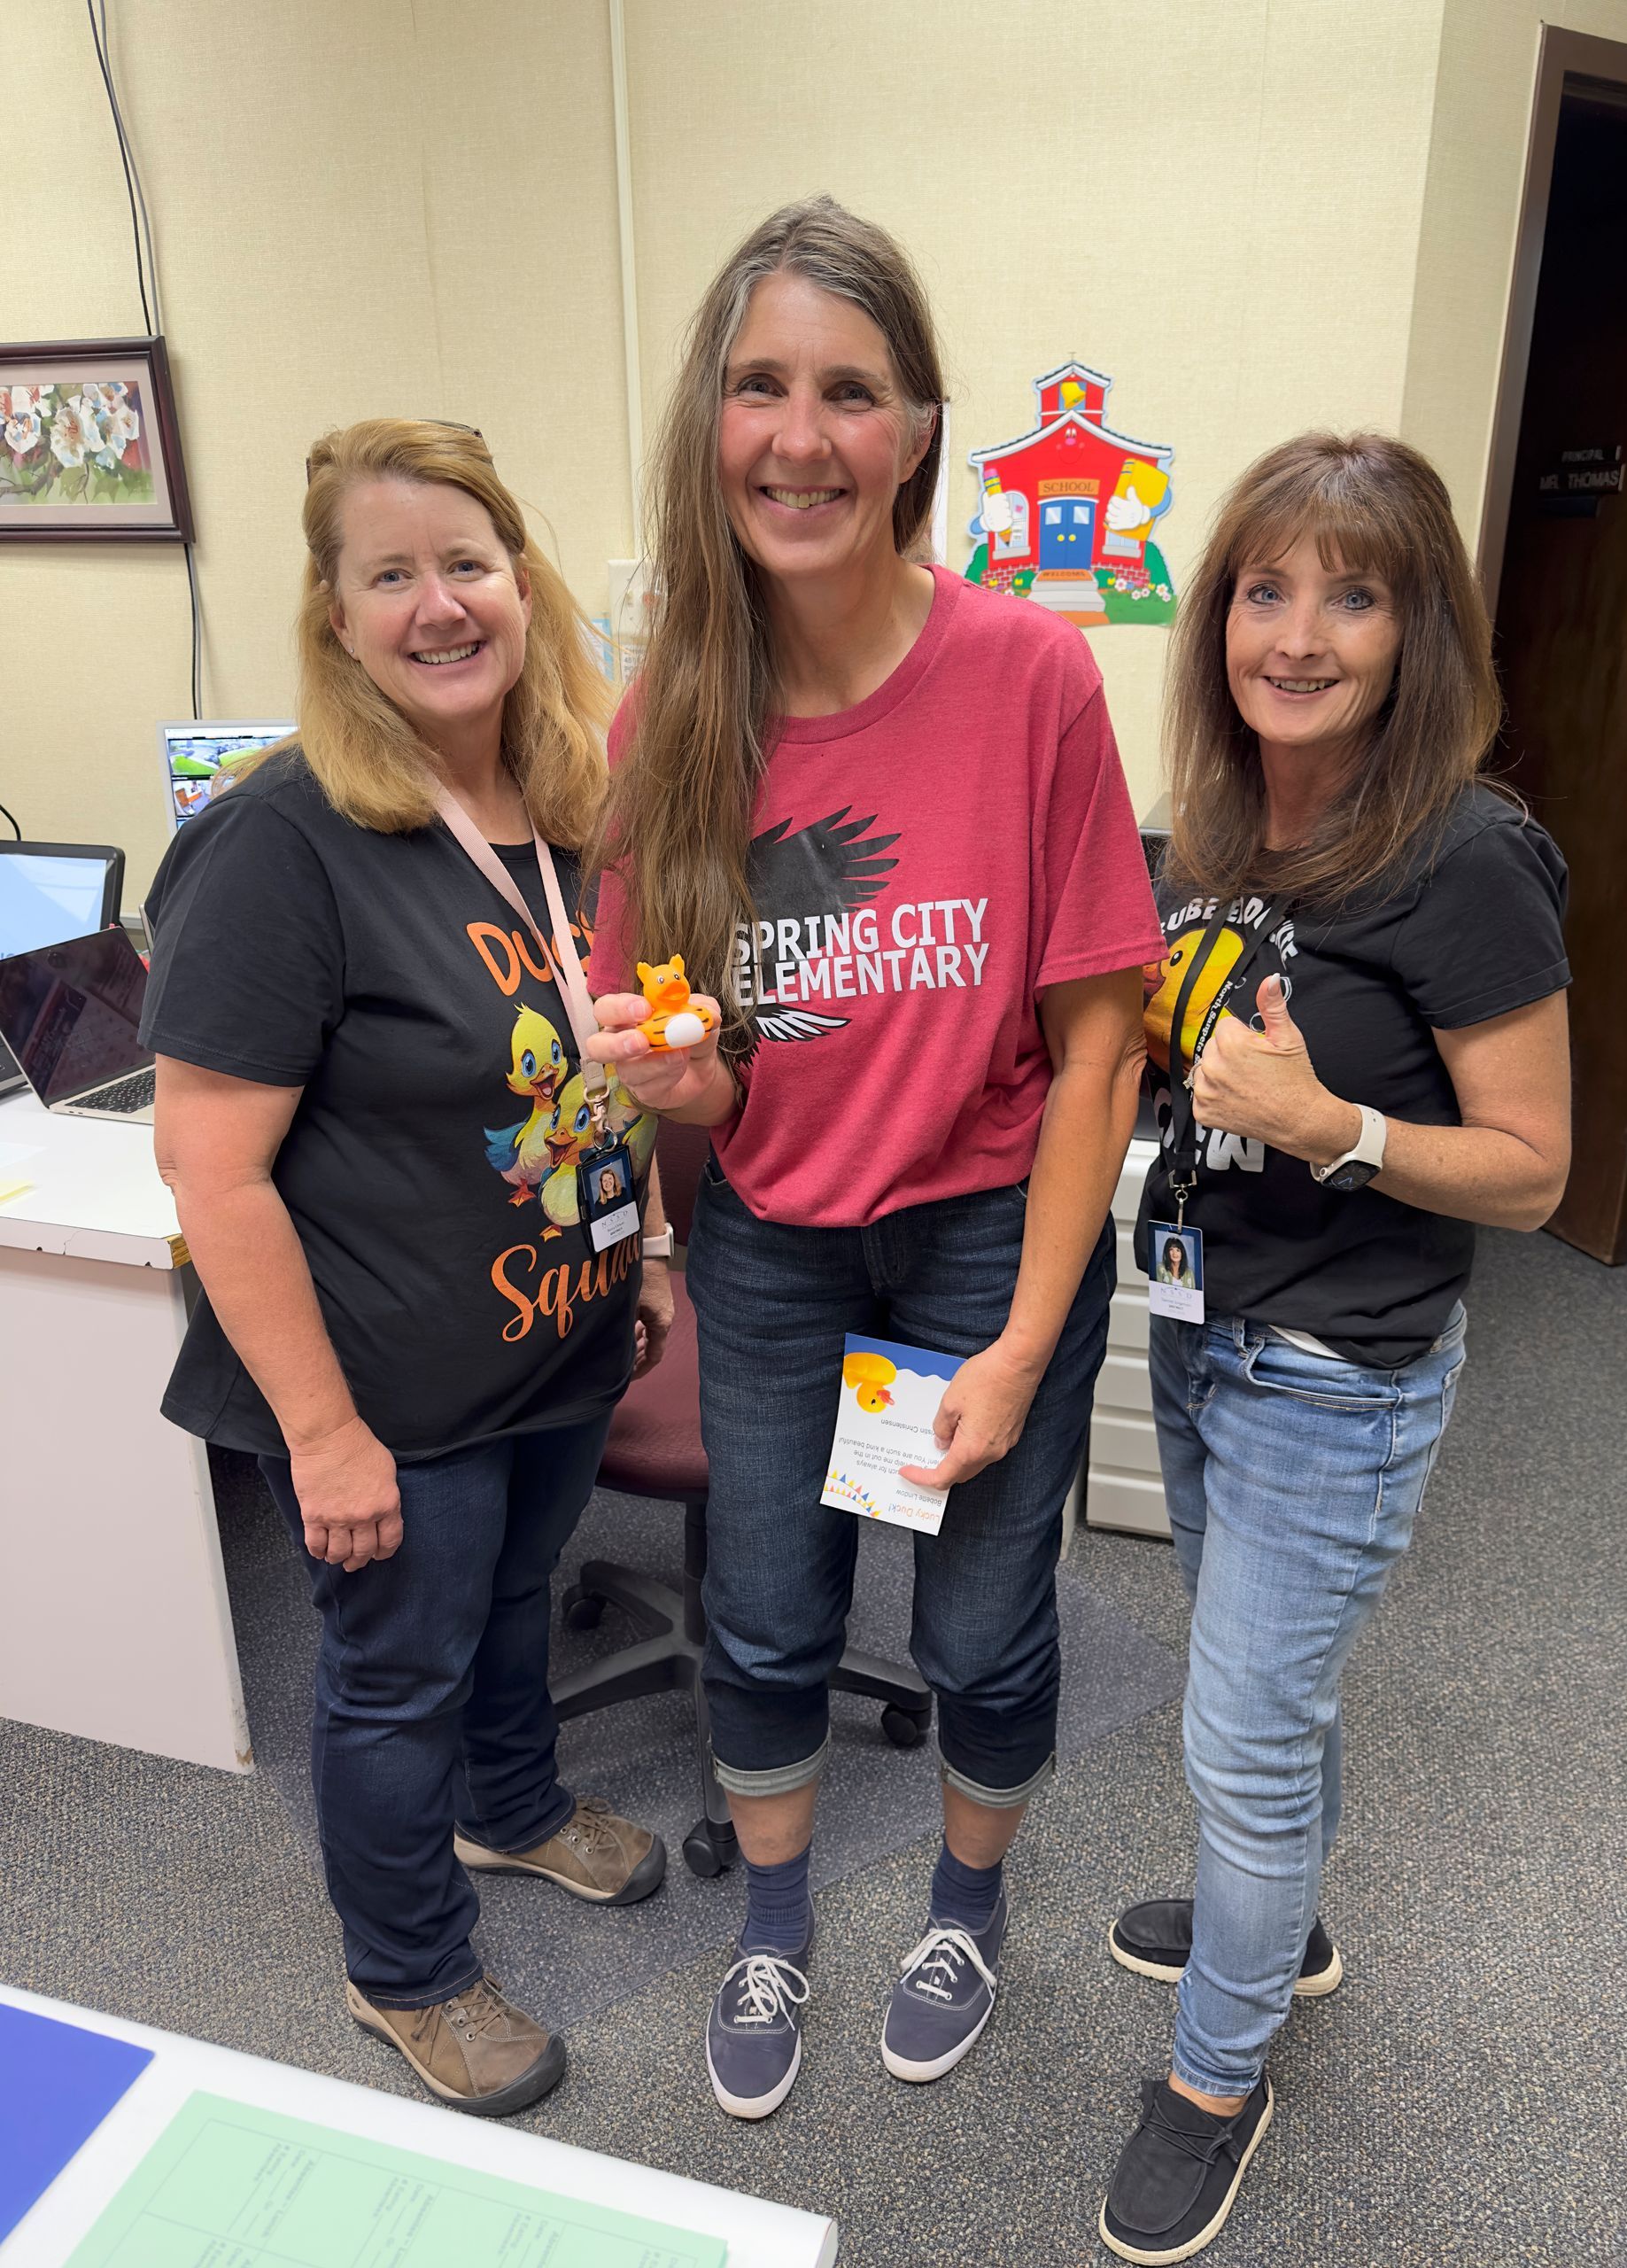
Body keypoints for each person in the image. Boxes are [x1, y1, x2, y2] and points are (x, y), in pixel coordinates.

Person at [583, 197, 1163, 2119]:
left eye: (848, 390)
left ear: (916, 430)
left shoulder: (1031, 679)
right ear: (712, 418)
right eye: (760, 385)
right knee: (764, 1606)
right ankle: (774, 1920)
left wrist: (1021, 1347)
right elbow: (697, 1071)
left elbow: (1100, 1046)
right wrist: (672, 1089)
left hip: (990, 1218)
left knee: (985, 1616)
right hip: (769, 1237)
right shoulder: (671, 713)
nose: (800, 435)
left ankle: (963, 1905)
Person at [143, 419, 673, 2119]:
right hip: (391, 1382)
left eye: (466, 563)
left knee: (517, 1605)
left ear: (520, 581)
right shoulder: (282, 841)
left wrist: (643, 1241)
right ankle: (407, 1969)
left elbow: (606, 1049)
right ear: (338, 614)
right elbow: (209, 1171)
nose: (439, 605)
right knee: (395, 1672)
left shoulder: (573, 806)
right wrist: (320, 1435)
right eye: (393, 576)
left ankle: (510, 1807)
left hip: (558, 1334)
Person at [1096, 432, 1572, 2264]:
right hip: (1213, 1335)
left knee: (1238, 1736)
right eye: (1266, 588)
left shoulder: (1464, 848)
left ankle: (1222, 2070)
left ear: (1415, 626)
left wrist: (1336, 1126)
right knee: (1266, 1707)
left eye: (1352, 594)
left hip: (1340, 1370)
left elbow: (1531, 1170)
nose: (1298, 634)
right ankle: (1280, 1928)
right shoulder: (1229, 826)